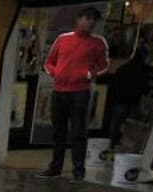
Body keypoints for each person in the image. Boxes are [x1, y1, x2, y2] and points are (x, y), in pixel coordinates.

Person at [37, 7, 109, 181]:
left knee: (78, 132)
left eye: (94, 19)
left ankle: (78, 171)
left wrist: (89, 74)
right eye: (88, 18)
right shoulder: (63, 39)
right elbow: (49, 62)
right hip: (59, 90)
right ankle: (55, 168)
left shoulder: (98, 42)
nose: (91, 22)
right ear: (78, 19)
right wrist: (55, 72)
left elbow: (105, 65)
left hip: (80, 92)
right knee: (58, 132)